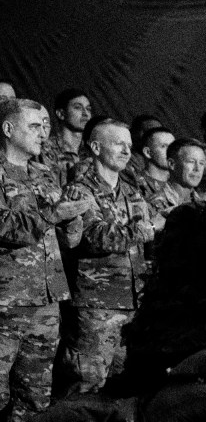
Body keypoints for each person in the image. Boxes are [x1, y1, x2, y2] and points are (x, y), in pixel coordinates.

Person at [0, 99, 90, 422]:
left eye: (44, 126)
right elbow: (7, 229)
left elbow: (64, 239)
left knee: (34, 393)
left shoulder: (45, 173)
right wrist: (57, 215)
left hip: (47, 297)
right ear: (8, 130)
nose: (43, 133)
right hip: (7, 299)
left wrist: (76, 224)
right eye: (35, 126)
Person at [59, 119, 155, 397]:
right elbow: (94, 237)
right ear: (96, 147)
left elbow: (148, 246)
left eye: (129, 145)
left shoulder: (132, 192)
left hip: (134, 304)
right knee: (87, 383)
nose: (127, 151)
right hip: (97, 306)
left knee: (122, 388)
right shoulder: (80, 190)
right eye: (118, 144)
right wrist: (146, 229)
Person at [149, 138, 206, 215]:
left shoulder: (205, 207)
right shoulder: (154, 203)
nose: (197, 169)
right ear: (172, 164)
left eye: (201, 163)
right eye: (191, 162)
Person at [47, 88, 92, 186]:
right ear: (61, 114)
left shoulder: (92, 151)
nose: (85, 113)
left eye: (88, 109)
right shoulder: (46, 149)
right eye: (78, 107)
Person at [134, 127, 175, 205]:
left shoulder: (179, 184)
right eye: (163, 146)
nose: (171, 151)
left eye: (173, 147)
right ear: (148, 152)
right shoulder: (136, 185)